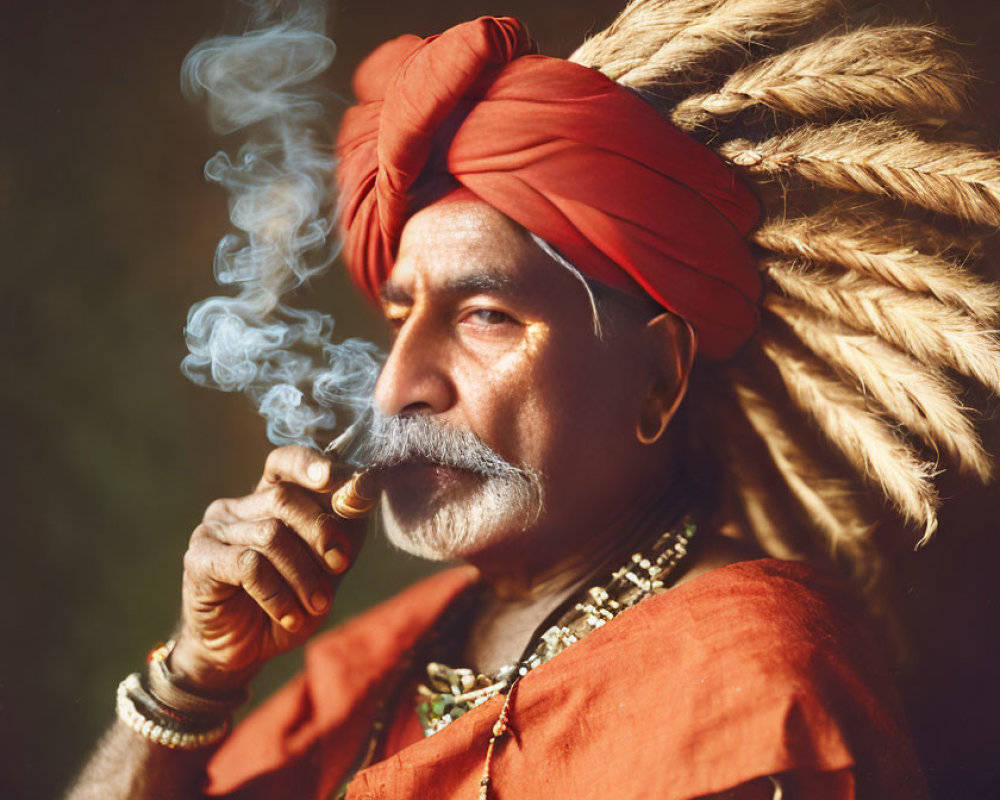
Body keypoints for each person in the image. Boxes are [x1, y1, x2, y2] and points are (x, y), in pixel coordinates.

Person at [68, 2, 1000, 798]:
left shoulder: (748, 680)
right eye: (399, 318)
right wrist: (196, 676)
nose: (399, 385)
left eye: (484, 315)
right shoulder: (374, 665)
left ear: (657, 377)